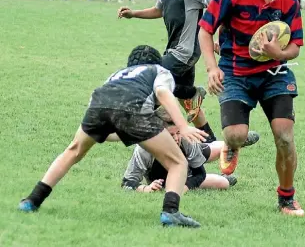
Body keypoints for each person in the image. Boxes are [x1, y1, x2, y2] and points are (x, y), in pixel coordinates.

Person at [18, 45, 207, 228]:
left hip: (97, 105)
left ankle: (32, 200)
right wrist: (183, 126)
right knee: (177, 162)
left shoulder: (117, 74)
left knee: (73, 150)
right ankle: (171, 212)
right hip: (134, 108)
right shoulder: (159, 70)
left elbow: (105, 108)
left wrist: (94, 134)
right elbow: (162, 92)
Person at [198, 0, 305, 217]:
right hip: (235, 72)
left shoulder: (289, 0)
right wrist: (212, 67)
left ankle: (286, 198)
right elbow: (205, 29)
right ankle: (232, 146)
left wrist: (278, 53)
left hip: (275, 74)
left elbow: (295, 46)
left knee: (284, 136)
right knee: (235, 134)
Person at [118, 0, 218, 141]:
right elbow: (159, 10)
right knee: (186, 100)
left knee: (153, 81)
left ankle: (133, 128)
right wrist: (133, 14)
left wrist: (215, 37)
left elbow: (219, 9)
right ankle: (212, 142)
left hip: (185, 51)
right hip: (175, 49)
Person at [122, 125, 260, 193]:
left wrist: (185, 187)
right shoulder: (145, 149)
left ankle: (233, 141)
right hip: (173, 178)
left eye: (178, 133)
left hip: (189, 163)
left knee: (212, 150)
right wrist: (147, 188)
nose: (176, 138)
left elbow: (200, 173)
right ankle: (224, 177)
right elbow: (128, 182)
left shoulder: (184, 139)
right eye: (171, 135)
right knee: (223, 184)